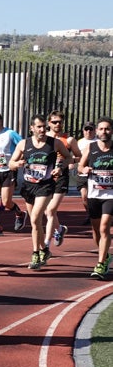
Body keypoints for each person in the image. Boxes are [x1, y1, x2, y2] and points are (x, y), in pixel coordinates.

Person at [8, 114, 71, 270]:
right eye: (39, 127)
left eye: (44, 127)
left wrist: (60, 167)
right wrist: (17, 163)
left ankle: (36, 253)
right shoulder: (24, 144)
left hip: (46, 186)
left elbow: (69, 158)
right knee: (34, 223)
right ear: (32, 128)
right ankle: (44, 249)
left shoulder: (54, 143)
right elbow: (10, 163)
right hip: (29, 186)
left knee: (36, 217)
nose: (43, 129)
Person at [77, 118, 113, 279]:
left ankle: (100, 264)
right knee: (96, 231)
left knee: (105, 227)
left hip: (110, 195)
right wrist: (84, 168)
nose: (104, 132)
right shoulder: (91, 148)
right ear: (97, 132)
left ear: (111, 131)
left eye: (107, 129)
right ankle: (105, 257)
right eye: (101, 129)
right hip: (94, 194)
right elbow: (80, 166)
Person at [45, 111, 81, 248]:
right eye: (54, 122)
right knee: (46, 210)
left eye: (60, 122)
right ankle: (59, 229)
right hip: (46, 178)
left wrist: (69, 161)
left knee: (50, 210)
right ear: (49, 123)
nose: (57, 124)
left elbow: (79, 156)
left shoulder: (69, 140)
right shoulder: (44, 138)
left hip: (61, 177)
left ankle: (45, 245)